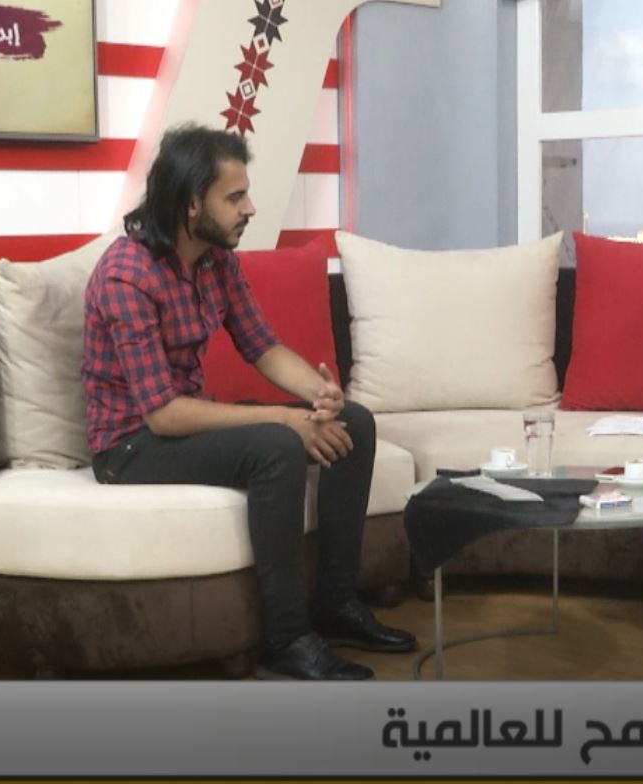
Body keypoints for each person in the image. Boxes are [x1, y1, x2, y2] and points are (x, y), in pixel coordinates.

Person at [83, 124, 415, 680]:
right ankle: (287, 639)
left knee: (352, 422)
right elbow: (162, 413)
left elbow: (262, 347)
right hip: (130, 446)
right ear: (192, 204)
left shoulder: (215, 260)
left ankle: (336, 604)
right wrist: (284, 418)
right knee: (276, 447)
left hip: (179, 423)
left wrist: (320, 395)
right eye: (234, 197)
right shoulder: (127, 276)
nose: (250, 209)